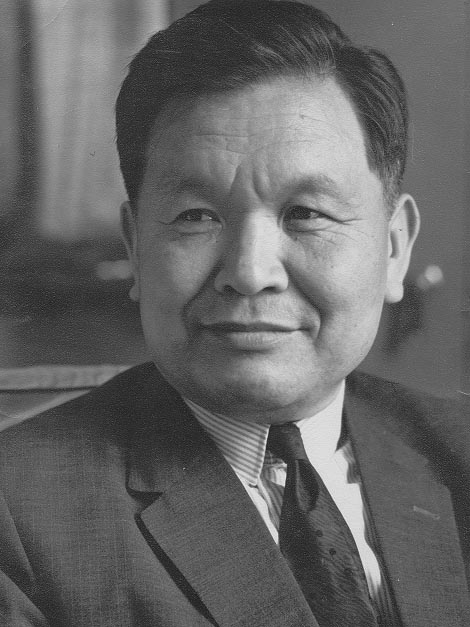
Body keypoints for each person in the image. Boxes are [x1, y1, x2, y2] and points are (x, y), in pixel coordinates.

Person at [0, 1, 468, 625]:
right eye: (196, 216)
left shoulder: (457, 451)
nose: (249, 272)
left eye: (306, 214)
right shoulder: (17, 515)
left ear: (393, 248)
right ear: (135, 248)